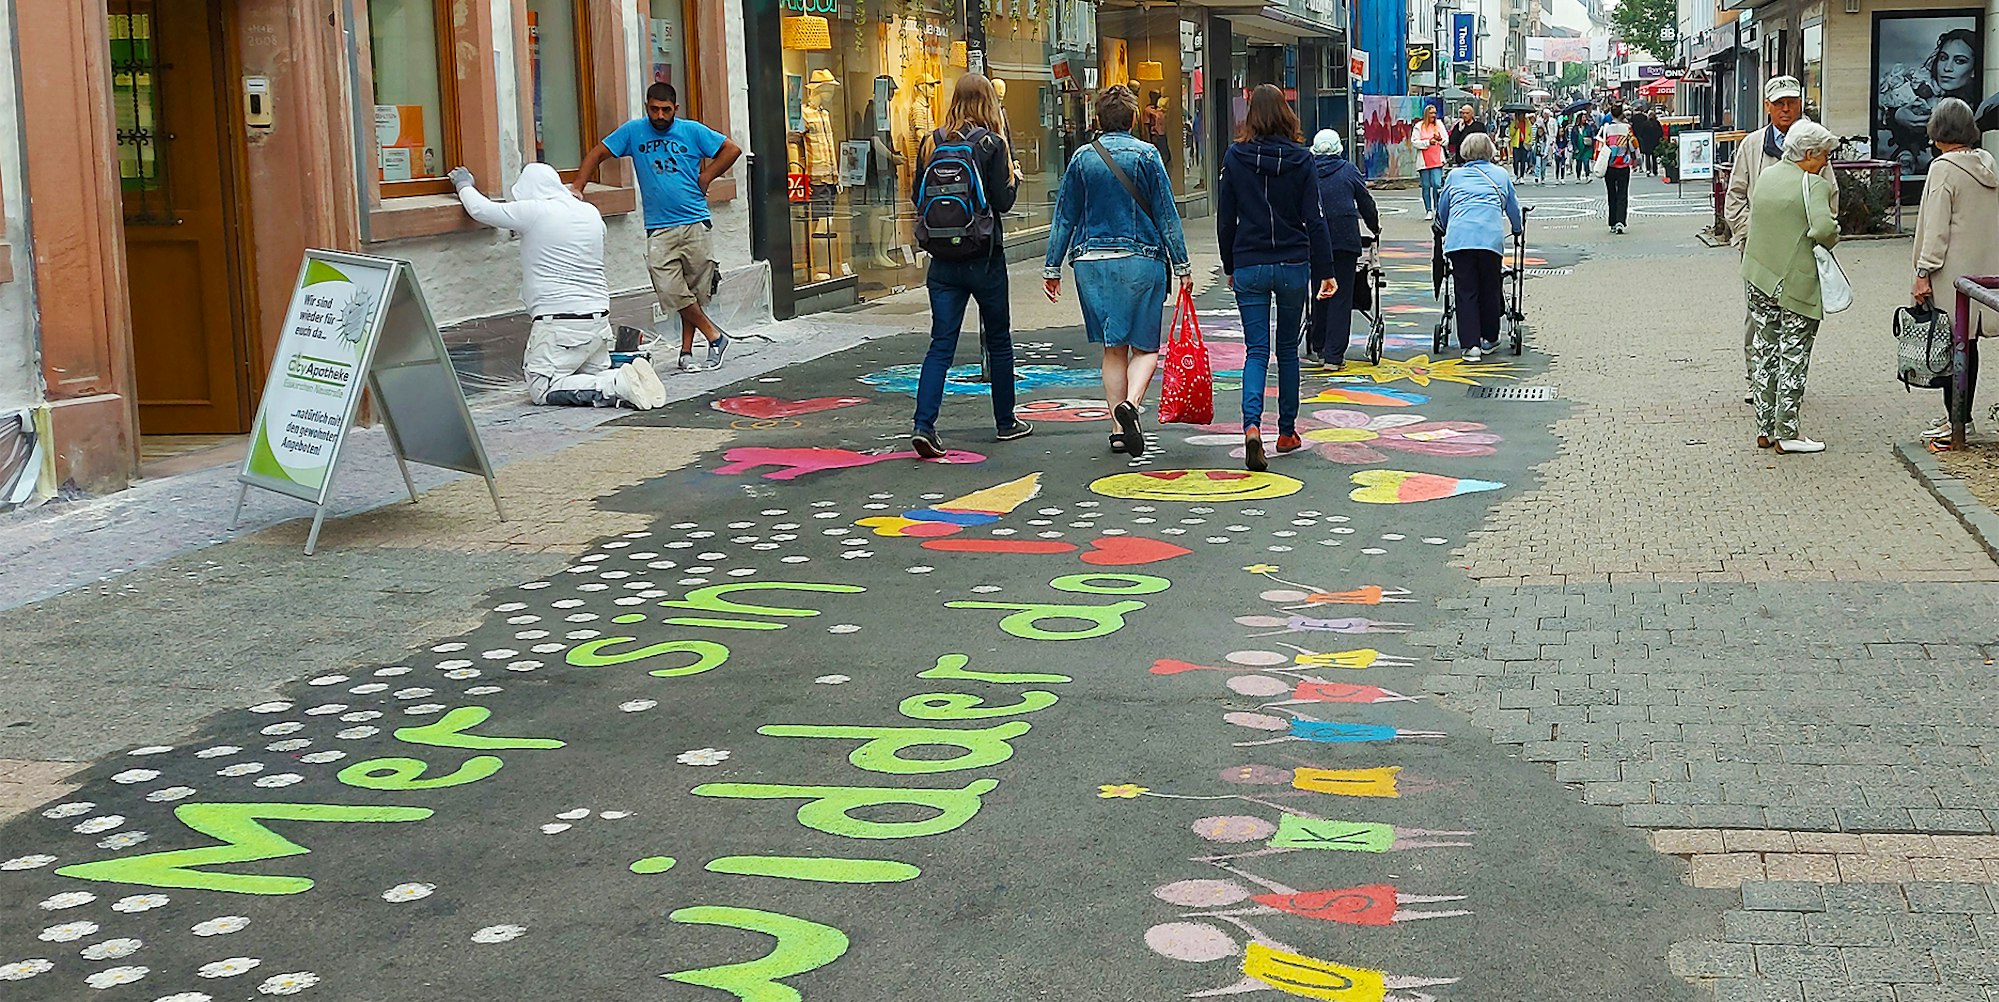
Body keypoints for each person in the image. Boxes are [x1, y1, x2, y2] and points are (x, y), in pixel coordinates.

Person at [1044, 85, 1193, 458]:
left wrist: (1052, 267)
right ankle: (1131, 405)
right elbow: (1165, 213)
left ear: (1098, 119)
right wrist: (1182, 265)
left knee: (1113, 349)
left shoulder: (1081, 159)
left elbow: (1065, 216)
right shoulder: (1147, 155)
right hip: (1141, 260)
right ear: (1132, 119)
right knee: (1145, 347)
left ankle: (1116, 427)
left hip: (1091, 263)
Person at [449, 163, 666, 410]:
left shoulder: (536, 211)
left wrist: (463, 184)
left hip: (560, 324)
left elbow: (481, 209)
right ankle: (626, 380)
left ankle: (615, 383)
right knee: (591, 374)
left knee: (542, 388)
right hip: (598, 320)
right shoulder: (589, 212)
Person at [574, 82, 743, 373]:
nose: (660, 115)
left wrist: (706, 178)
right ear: (647, 107)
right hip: (659, 225)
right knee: (669, 288)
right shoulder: (633, 131)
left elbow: (731, 149)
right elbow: (597, 153)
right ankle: (716, 337)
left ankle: (686, 352)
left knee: (693, 290)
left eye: (666, 110)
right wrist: (578, 186)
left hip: (694, 221)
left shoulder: (692, 131)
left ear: (675, 109)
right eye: (654, 109)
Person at [907, 72, 1032, 458]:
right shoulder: (993, 144)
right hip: (985, 256)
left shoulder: (931, 141)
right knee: (998, 339)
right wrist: (1015, 180)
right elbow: (1002, 201)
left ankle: (924, 424)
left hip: (942, 260)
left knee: (941, 343)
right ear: (988, 102)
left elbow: (916, 195)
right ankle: (1005, 421)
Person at [1218, 84, 1339, 473]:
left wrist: (1229, 265)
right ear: (1287, 115)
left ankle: (1252, 427)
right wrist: (1326, 272)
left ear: (1250, 116)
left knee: (1256, 350)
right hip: (1291, 262)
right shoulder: (1303, 160)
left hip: (1250, 261)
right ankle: (1286, 431)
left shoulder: (1235, 158)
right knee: (1287, 349)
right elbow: (1315, 219)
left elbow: (1225, 219)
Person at [1724, 76, 1840, 398]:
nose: (1786, 109)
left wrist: (1819, 236)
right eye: (1779, 103)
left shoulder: (1815, 144)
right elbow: (1735, 197)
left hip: (1800, 250)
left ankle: (1787, 385)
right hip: (1759, 250)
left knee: (1798, 316)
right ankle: (1757, 381)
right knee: (1758, 318)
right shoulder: (1752, 146)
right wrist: (1751, 235)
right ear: (1767, 107)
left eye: (1791, 102)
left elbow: (1829, 195)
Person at [1742, 120, 1841, 455]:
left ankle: (1764, 427)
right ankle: (1788, 432)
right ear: (1810, 153)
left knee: (1765, 350)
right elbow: (1825, 229)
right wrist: (1833, 233)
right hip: (1794, 280)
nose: (1827, 161)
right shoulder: (1812, 185)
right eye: (1825, 154)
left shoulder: (1768, 176)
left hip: (1758, 274)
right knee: (1794, 354)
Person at [1909, 97, 1999, 447]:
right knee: (1967, 344)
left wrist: (1923, 271)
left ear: (1938, 132)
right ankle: (1960, 416)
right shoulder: (1986, 163)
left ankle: (1957, 420)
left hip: (1951, 271)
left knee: (1950, 346)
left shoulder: (1943, 169)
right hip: (1982, 270)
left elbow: (1936, 226)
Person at [1436, 133, 1524, 363]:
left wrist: (1442, 226)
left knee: (1465, 290)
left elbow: (1443, 207)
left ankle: (1470, 345)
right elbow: (1513, 207)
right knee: (1490, 286)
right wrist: (1517, 228)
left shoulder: (1454, 176)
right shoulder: (1500, 175)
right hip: (1489, 239)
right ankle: (1490, 337)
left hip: (1459, 240)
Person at [1306, 129, 1381, 369]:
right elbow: (1365, 202)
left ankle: (1318, 345)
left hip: (1314, 240)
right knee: (1341, 295)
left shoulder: (1307, 171)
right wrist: (1374, 226)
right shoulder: (1349, 170)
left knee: (1320, 290)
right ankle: (1334, 354)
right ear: (1339, 148)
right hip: (1344, 240)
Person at [1880, 29, 1981, 174]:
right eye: (1943, 58)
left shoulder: (1976, 106)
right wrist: (1896, 115)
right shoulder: (1920, 89)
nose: (1947, 68)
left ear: (1974, 68)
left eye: (1960, 61)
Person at [1597, 105, 1636, 233]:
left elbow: (1600, 145)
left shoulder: (1606, 128)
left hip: (1610, 166)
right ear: (1622, 115)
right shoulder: (1627, 129)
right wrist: (1636, 159)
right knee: (1622, 194)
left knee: (1611, 194)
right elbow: (1633, 145)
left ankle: (1612, 222)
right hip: (1623, 165)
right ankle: (1620, 221)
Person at [1411, 104, 1450, 220]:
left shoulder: (1439, 125)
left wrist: (1439, 140)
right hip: (1424, 160)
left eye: (1435, 113)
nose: (1433, 115)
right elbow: (1414, 142)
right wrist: (1428, 142)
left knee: (1437, 184)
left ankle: (1438, 208)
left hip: (1437, 159)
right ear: (1426, 114)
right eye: (1431, 113)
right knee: (1426, 186)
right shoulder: (1419, 126)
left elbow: (1446, 141)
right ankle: (1428, 210)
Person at [1632, 106, 1665, 176]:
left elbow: (1641, 133)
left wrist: (1643, 139)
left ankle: (1648, 170)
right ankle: (1655, 170)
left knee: (1647, 156)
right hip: (1655, 142)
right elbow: (1660, 132)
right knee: (1654, 157)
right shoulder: (1657, 123)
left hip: (1646, 142)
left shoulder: (1645, 123)